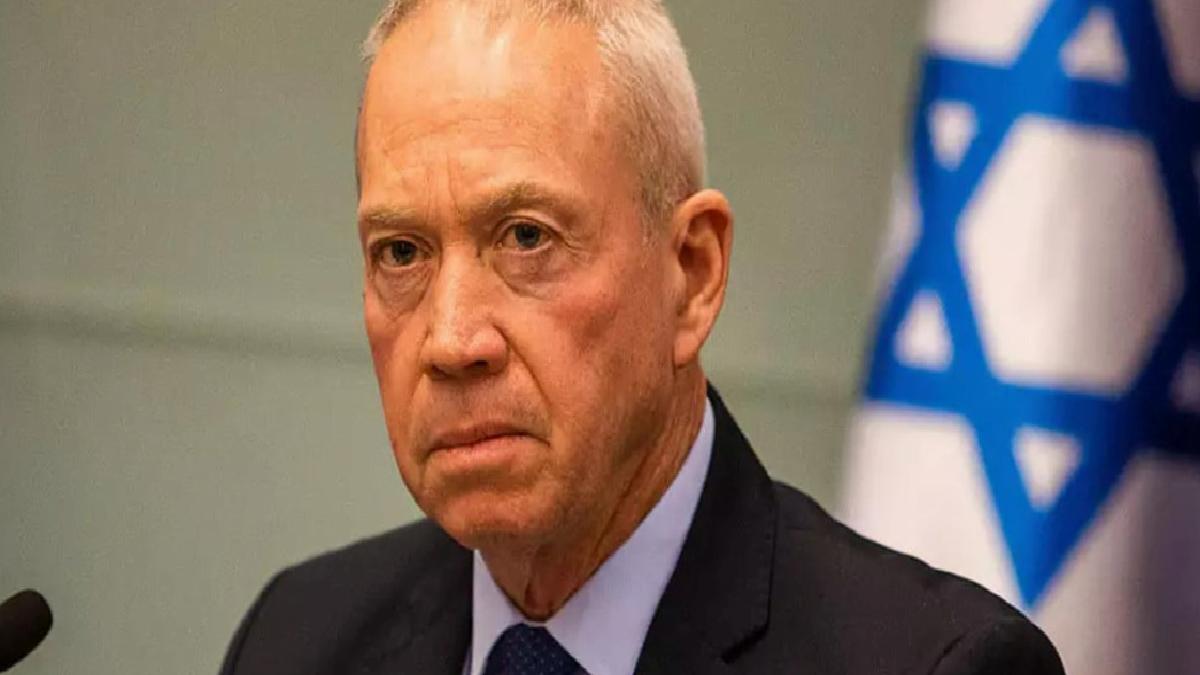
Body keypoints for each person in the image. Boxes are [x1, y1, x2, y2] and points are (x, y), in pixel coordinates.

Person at [220, 1, 1065, 673]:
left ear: (691, 274)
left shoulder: (938, 664)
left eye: (526, 237)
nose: (451, 338)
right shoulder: (295, 640)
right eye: (401, 252)